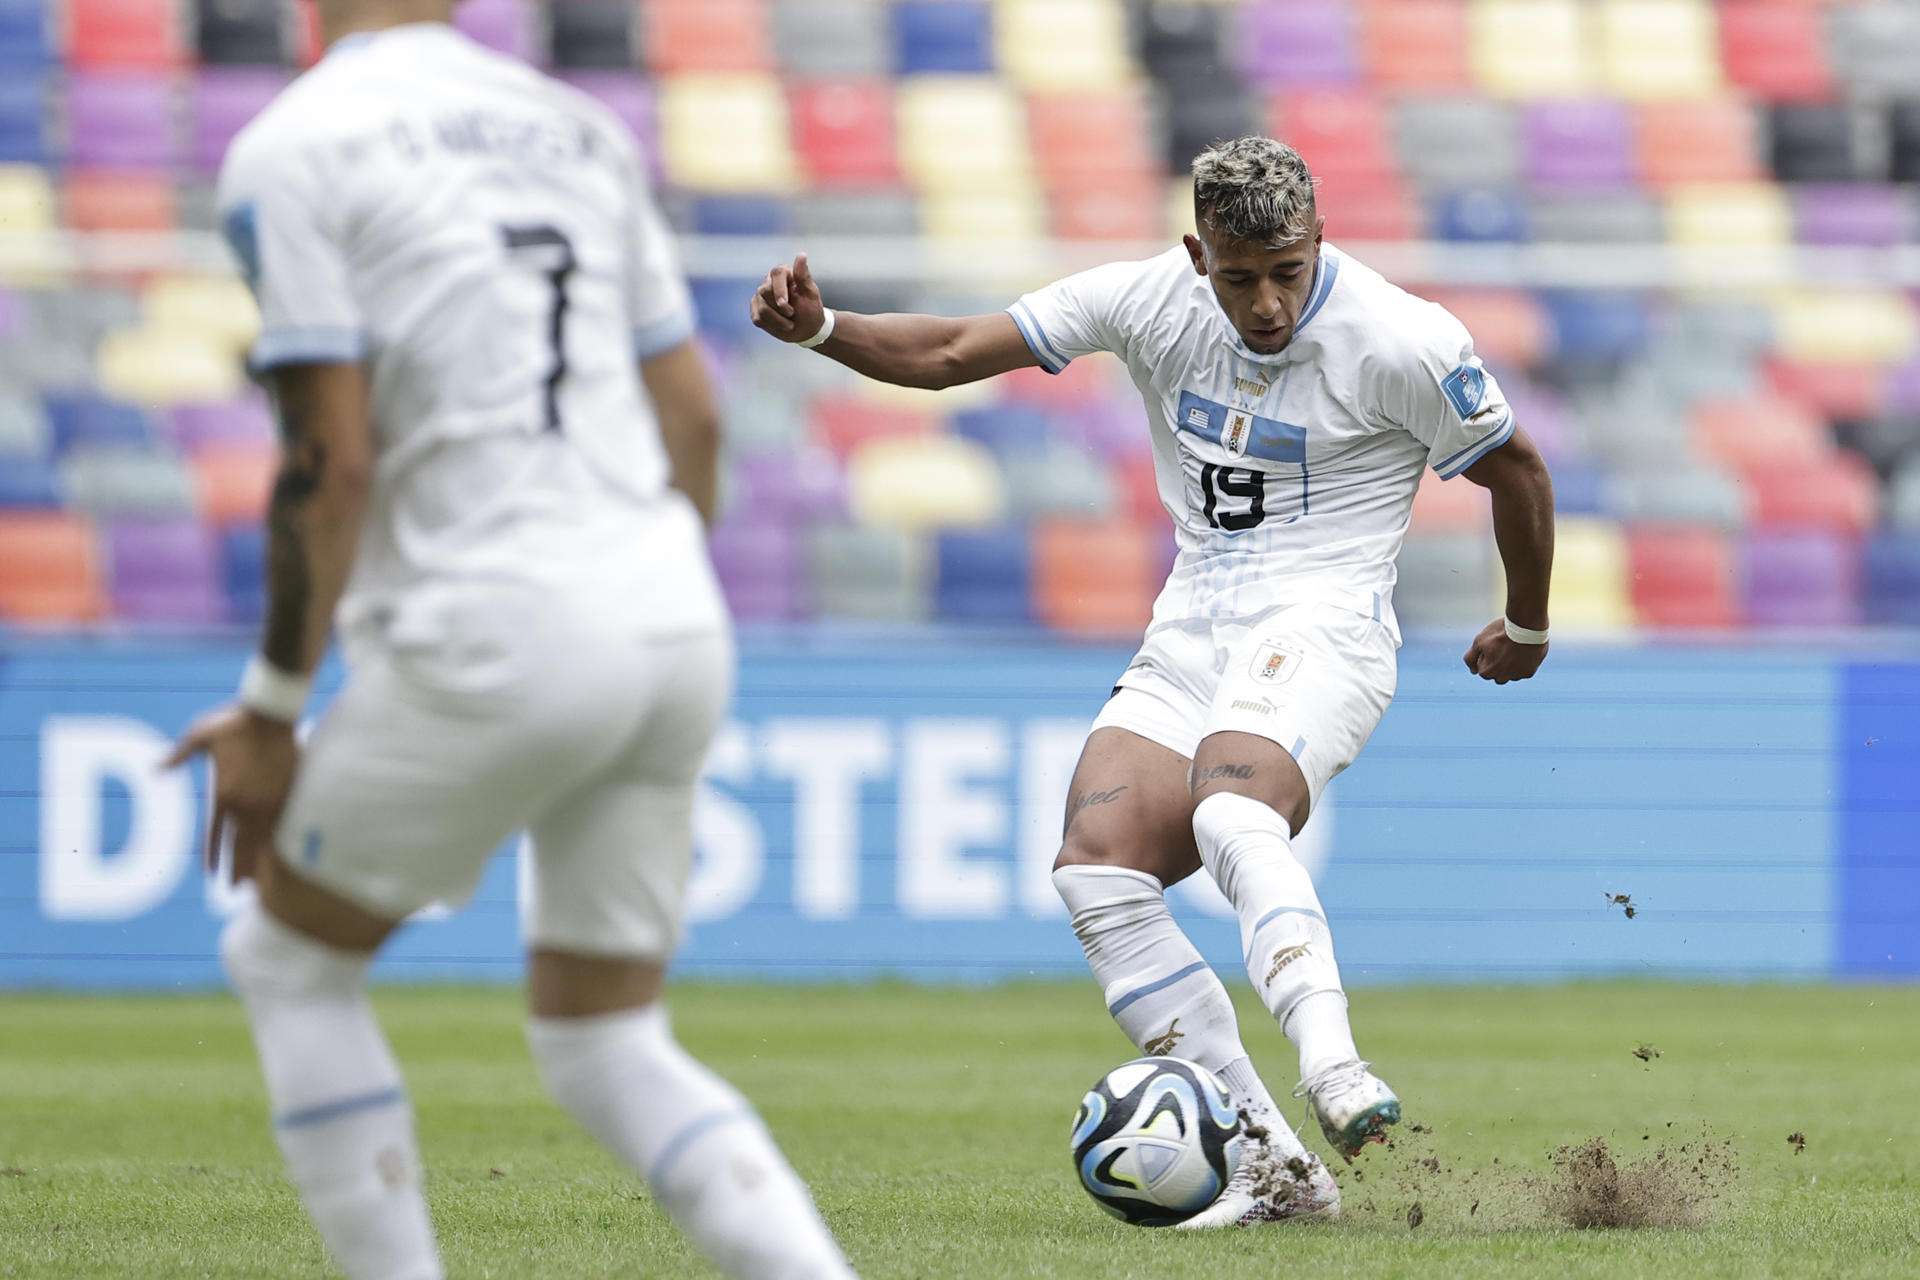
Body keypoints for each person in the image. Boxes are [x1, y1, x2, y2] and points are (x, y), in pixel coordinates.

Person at [165, 5, 858, 1277]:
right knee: (606, 1038)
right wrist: (636, 584)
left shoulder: (294, 143)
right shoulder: (578, 130)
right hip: (668, 607)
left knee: (287, 957)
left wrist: (270, 708)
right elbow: (695, 420)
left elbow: (331, 461)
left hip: (498, 618)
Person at [749, 136, 1555, 1227]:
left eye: (1289, 270)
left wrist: (1529, 618)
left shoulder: (1403, 338)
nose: (1267, 303)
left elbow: (1516, 467)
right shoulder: (1147, 300)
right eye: (1239, 277)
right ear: (1197, 253)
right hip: (1195, 623)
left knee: (1231, 803)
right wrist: (824, 330)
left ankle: (1334, 1069)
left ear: (1321, 242)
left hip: (1326, 620)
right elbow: (946, 352)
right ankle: (1282, 1177)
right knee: (1096, 870)